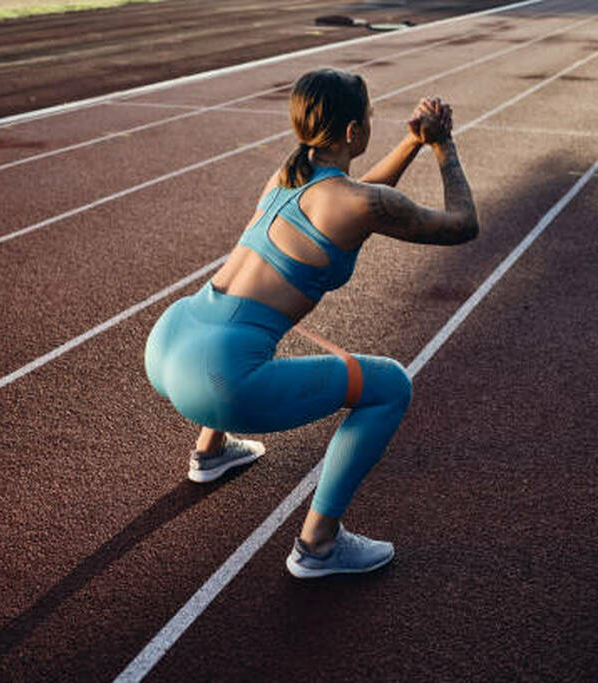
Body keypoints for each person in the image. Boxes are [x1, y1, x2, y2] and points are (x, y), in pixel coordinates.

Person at [145, 68, 477, 578]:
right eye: (368, 118)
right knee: (389, 385)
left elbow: (358, 196)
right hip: (220, 378)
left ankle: (210, 452)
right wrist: (443, 145)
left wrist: (411, 142)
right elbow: (463, 225)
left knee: (253, 332)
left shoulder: (285, 177)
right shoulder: (359, 203)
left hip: (172, 340)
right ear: (352, 133)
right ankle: (318, 545)